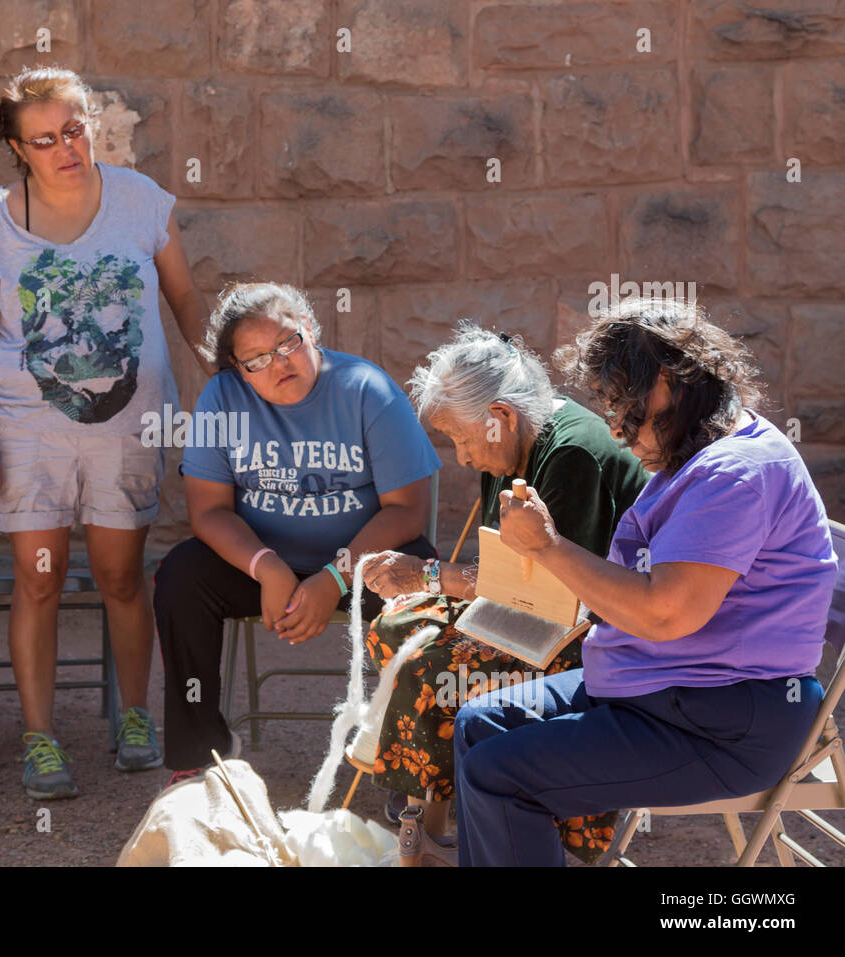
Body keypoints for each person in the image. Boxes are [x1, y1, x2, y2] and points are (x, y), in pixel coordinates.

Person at [452, 299, 836, 866]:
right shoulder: (699, 451)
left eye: (621, 403)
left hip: (723, 722)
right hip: (661, 691)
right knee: (476, 723)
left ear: (667, 382)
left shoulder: (734, 475)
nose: (613, 426)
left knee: (500, 775)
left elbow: (664, 615)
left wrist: (548, 546)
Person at [0, 66, 213, 799]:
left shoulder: (140, 201)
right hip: (29, 431)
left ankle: (134, 716)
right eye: (45, 139)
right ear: (15, 147)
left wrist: (223, 372)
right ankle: (40, 738)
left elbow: (185, 295)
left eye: (75, 128)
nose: (67, 147)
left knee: (123, 576)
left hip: (129, 426)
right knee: (38, 582)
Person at [360, 323, 647, 860]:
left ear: (501, 417)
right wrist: (432, 585)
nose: (463, 457)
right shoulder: (514, 442)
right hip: (544, 609)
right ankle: (442, 793)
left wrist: (428, 576)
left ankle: (464, 807)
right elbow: (508, 570)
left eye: (462, 439)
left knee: (427, 664)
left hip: (597, 629)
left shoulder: (571, 455)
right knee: (394, 627)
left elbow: (548, 591)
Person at [155, 282, 442, 785]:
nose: (280, 362)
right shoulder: (221, 399)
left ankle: (411, 761)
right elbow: (208, 510)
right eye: (257, 359)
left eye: (289, 343)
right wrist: (267, 567)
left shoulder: (365, 388)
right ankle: (200, 752)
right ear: (236, 370)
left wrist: (335, 577)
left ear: (311, 332)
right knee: (180, 575)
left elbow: (408, 511)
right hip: (265, 565)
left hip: (363, 563)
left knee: (421, 590)